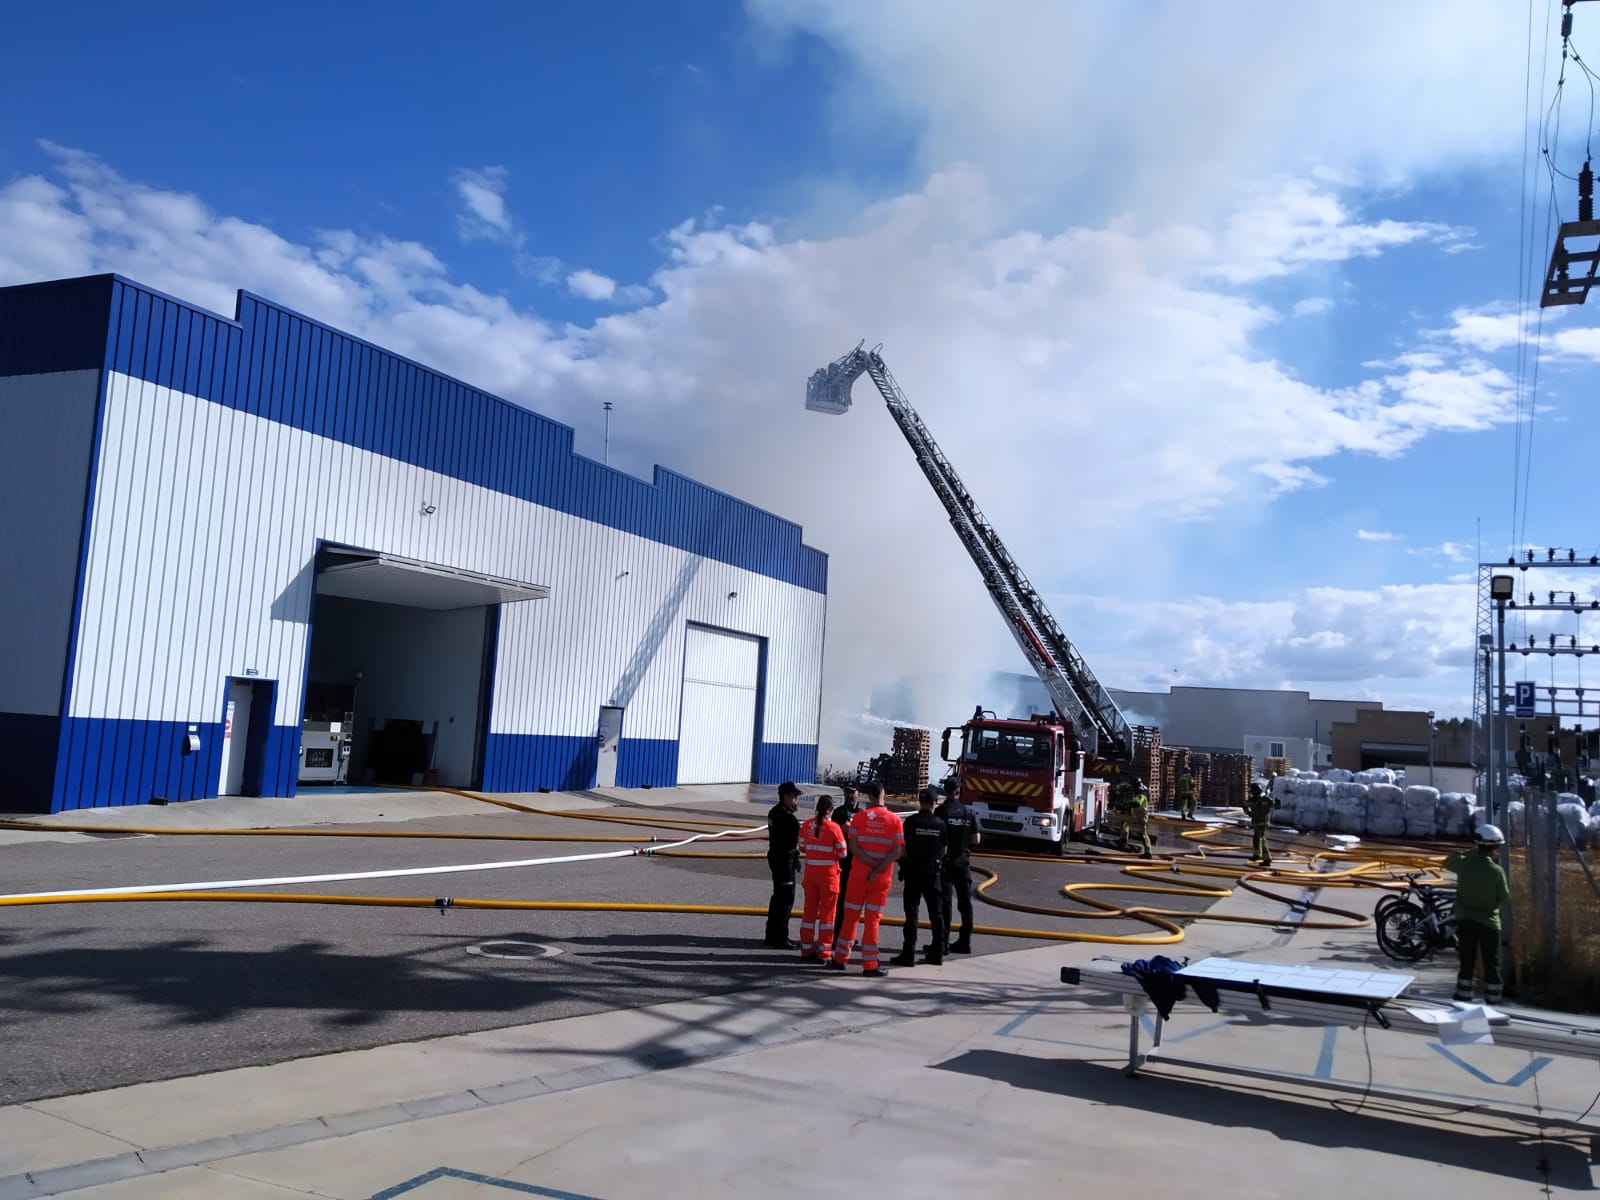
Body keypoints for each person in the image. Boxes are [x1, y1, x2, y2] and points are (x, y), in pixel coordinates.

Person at [827, 781, 904, 977]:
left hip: (857, 876)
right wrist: (878, 868)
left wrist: (869, 863)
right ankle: (870, 965)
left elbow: (852, 846)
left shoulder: (860, 818)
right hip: (880, 879)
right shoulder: (894, 820)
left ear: (868, 796)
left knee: (850, 917)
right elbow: (897, 851)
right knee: (873, 921)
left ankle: (839, 959)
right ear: (884, 795)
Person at [1444, 824, 1511, 1003]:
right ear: (1495, 847)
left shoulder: (1464, 864)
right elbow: (1504, 897)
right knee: (1492, 962)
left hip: (1465, 920)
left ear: (1477, 844)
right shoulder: (1497, 871)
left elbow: (1448, 860)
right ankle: (1494, 997)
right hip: (1489, 922)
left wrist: (1469, 851)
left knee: (1467, 961)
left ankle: (1463, 995)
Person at [892, 788, 948, 967]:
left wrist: (902, 862)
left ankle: (908, 953)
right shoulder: (940, 823)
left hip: (913, 871)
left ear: (919, 801)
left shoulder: (910, 822)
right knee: (936, 914)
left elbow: (902, 848)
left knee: (912, 913)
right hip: (932, 872)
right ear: (934, 803)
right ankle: (937, 952)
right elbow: (944, 850)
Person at [798, 795, 847, 961]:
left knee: (809, 913)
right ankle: (824, 952)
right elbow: (843, 853)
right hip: (829, 876)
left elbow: (802, 847)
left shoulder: (806, 825)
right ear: (831, 810)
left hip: (811, 874)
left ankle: (806, 949)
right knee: (827, 916)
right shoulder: (834, 828)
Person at [935, 776, 980, 955]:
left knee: (946, 902)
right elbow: (976, 839)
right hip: (963, 861)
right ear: (959, 792)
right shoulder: (968, 813)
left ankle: (943, 942)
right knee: (965, 901)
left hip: (946, 861)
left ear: (945, 791)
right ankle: (965, 941)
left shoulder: (940, 812)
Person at [764, 782, 801, 949]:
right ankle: (780, 936)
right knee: (786, 899)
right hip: (785, 861)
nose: (796, 800)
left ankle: (771, 934)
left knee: (777, 897)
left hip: (775, 858)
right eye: (794, 797)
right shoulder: (789, 818)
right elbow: (793, 844)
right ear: (786, 796)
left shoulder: (773, 812)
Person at [832, 783, 861, 934]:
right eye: (847, 793)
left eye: (852, 792)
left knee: (854, 900)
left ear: (859, 794)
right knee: (842, 898)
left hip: (858, 862)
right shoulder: (840, 812)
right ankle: (838, 933)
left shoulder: (862, 813)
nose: (849, 795)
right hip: (843, 862)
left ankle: (848, 933)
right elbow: (848, 830)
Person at [1245, 780, 1277, 866]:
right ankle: (1257, 855)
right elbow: (1245, 805)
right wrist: (1249, 813)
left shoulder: (1266, 799)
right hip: (1256, 823)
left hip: (1262, 823)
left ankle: (1266, 859)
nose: (1252, 794)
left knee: (1260, 840)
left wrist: (1276, 801)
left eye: (1252, 792)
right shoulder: (1252, 800)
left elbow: (1276, 805)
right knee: (1256, 839)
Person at [1124, 776, 1153, 858]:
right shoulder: (1139, 791)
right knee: (1125, 822)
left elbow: (1137, 803)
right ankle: (1123, 838)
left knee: (1143, 834)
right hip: (1137, 814)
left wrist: (1129, 805)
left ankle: (1148, 852)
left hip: (1141, 816)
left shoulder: (1141, 794)